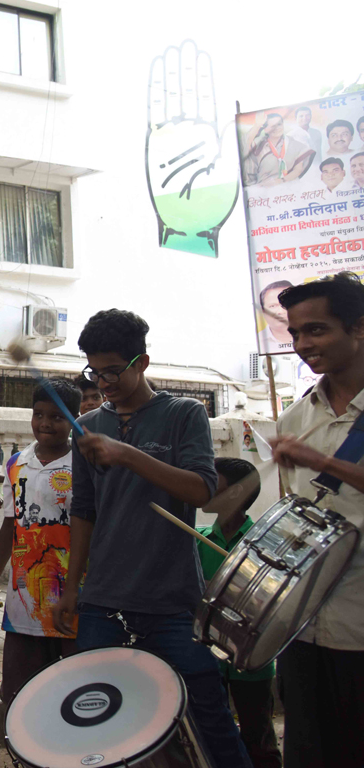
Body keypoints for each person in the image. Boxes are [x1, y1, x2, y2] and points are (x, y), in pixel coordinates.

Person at [50, 309, 251, 767]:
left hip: (173, 601)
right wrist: (72, 587)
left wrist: (127, 455)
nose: (103, 382)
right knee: (108, 723)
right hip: (104, 600)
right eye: (94, 371)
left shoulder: (184, 413)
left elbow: (201, 490)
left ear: (142, 361)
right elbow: (83, 510)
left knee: (208, 714)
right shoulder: (91, 425)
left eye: (113, 370)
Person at [265, 272, 364, 768]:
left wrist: (322, 461)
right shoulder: (296, 420)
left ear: (360, 329)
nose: (303, 344)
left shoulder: (300, 436)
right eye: (296, 333)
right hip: (303, 629)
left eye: (318, 330)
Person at [0, 378, 80, 705]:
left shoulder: (85, 465)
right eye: (38, 414)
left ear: (74, 420)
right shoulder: (17, 464)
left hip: (73, 596)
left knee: (72, 688)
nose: (45, 423)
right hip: (24, 600)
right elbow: (11, 524)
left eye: (57, 416)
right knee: (18, 693)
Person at [197, 458, 282, 768]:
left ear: (234, 493)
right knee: (213, 734)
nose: (202, 485)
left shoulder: (263, 543)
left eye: (211, 479)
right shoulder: (198, 539)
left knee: (258, 735)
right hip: (207, 656)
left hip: (252, 659)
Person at [242, 112, 310, 186]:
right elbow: (247, 141)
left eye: (279, 124)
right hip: (264, 191)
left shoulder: (294, 144)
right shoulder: (259, 146)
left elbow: (298, 169)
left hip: (291, 189)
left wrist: (281, 181)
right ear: (265, 129)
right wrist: (257, 124)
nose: (277, 128)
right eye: (273, 126)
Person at [258, 280, 295, 351]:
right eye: (273, 306)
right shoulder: (257, 340)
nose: (281, 311)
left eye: (286, 303)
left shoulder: (318, 335)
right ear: (263, 311)